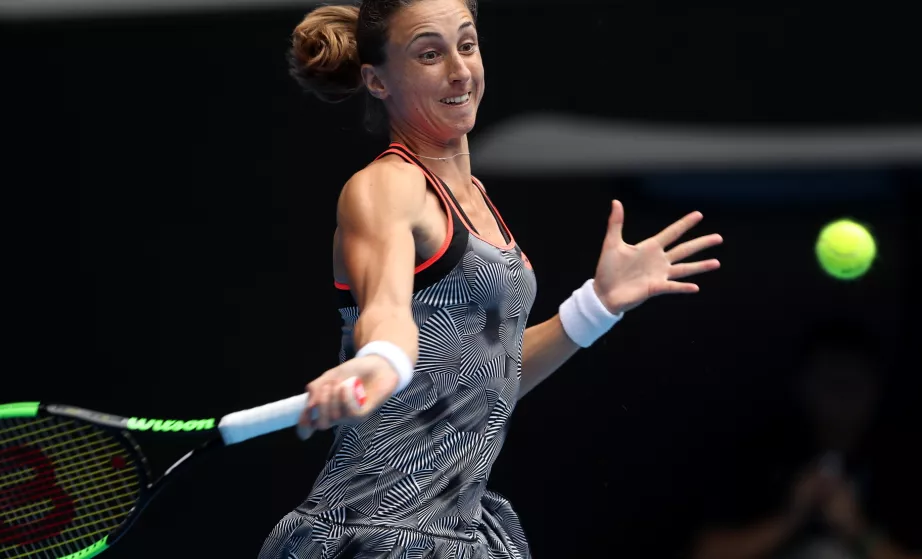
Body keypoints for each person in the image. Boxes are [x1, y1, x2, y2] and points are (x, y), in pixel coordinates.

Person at [259, 1, 722, 557]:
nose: (458, 70)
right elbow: (387, 311)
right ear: (376, 81)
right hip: (371, 534)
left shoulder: (477, 201)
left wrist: (596, 306)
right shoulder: (385, 188)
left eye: (467, 44)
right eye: (429, 54)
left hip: (461, 533)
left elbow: (483, 376)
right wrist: (378, 361)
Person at [691, 321, 922, 559]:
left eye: (854, 384)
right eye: (830, 383)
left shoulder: (903, 465)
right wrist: (789, 520)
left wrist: (856, 529)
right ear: (803, 387)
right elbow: (704, 552)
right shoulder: (762, 456)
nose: (842, 400)